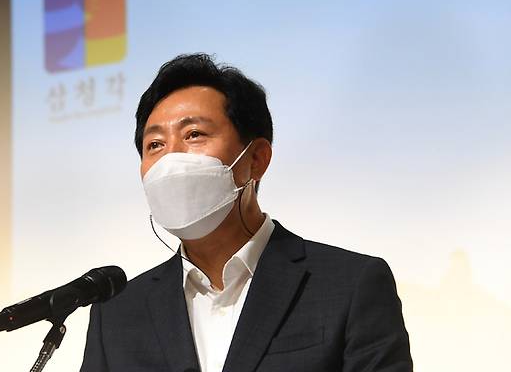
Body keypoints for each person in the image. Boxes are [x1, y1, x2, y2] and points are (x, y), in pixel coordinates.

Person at [80, 53, 412, 372]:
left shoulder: (350, 285)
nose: (171, 159)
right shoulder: (117, 312)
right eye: (155, 145)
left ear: (256, 159)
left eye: (194, 135)